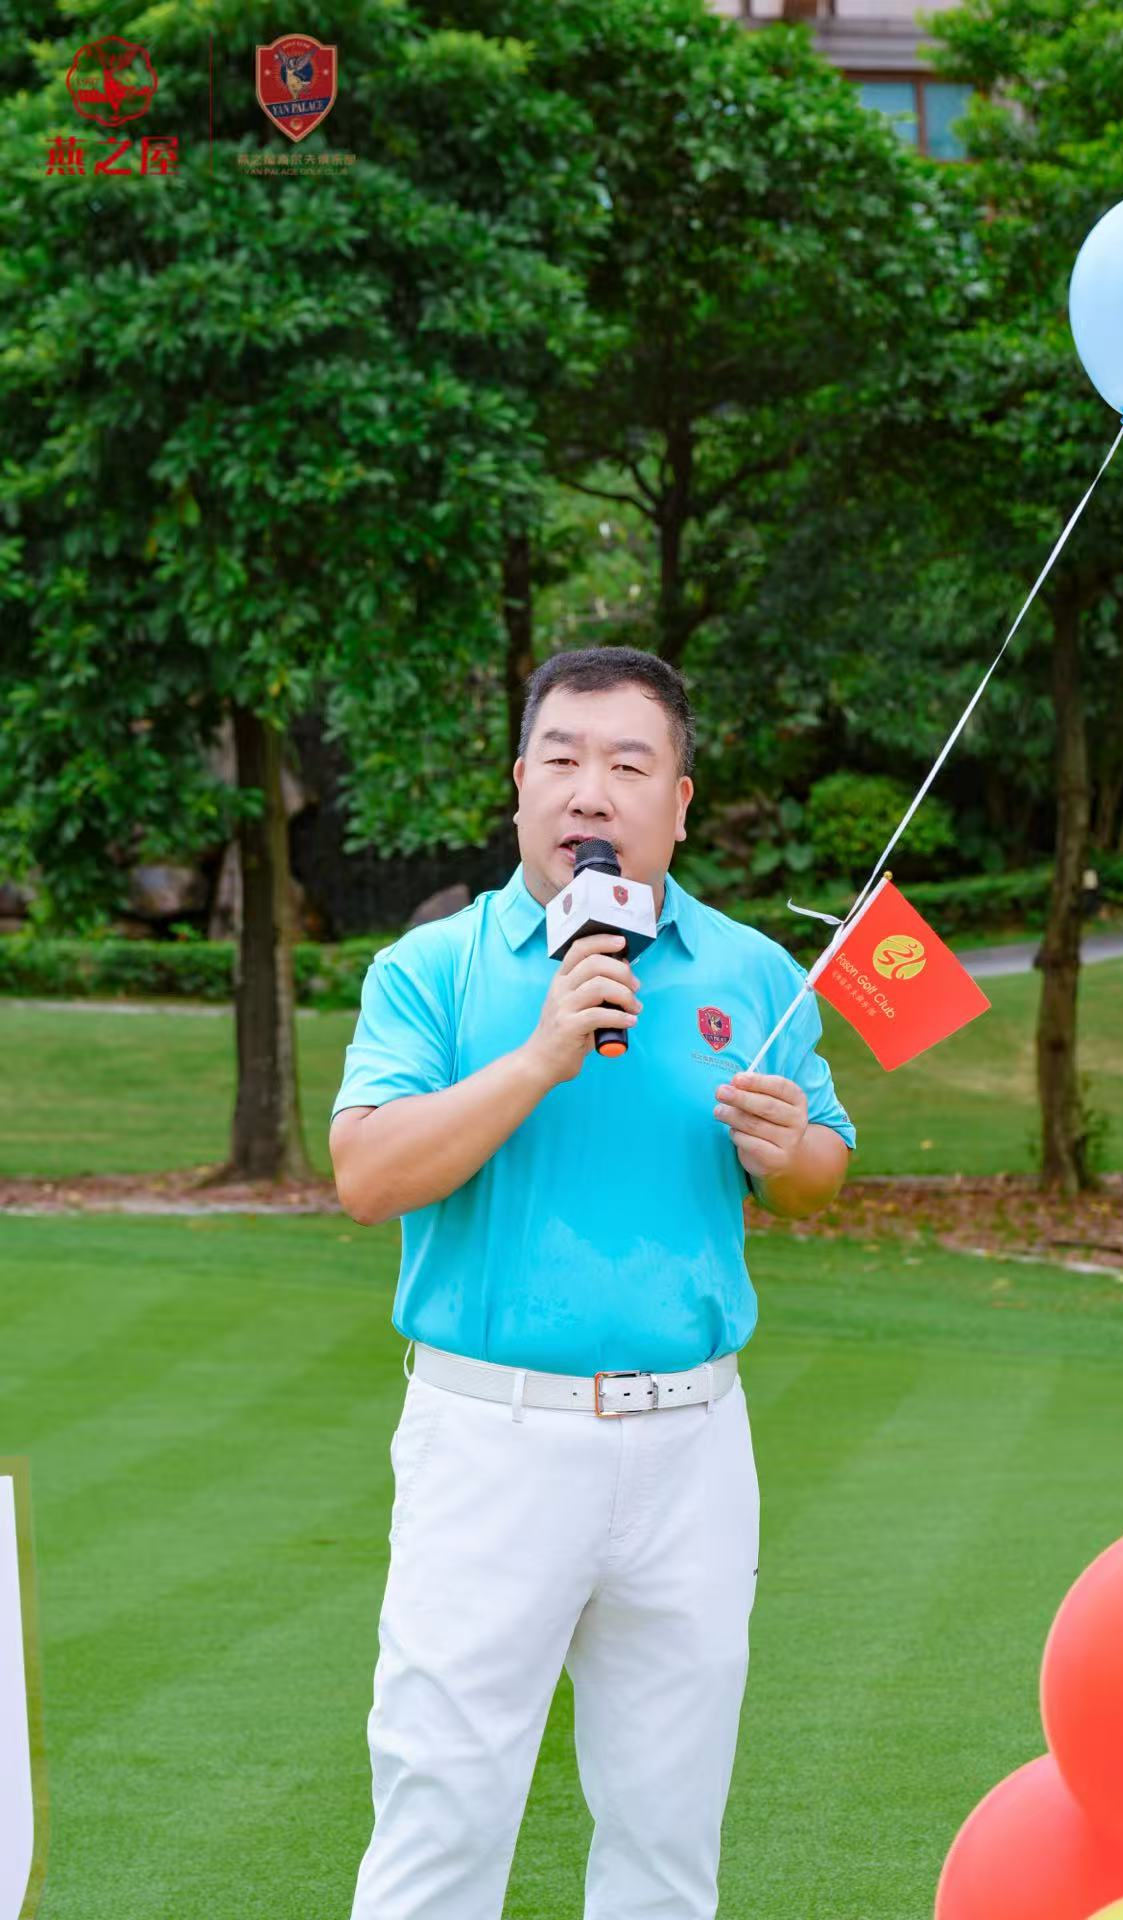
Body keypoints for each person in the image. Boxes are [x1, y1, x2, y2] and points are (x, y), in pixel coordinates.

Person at [330, 646, 858, 1920]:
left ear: (678, 802)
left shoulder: (751, 973)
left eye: (629, 764)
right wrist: (539, 1057)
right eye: (561, 759)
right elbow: (367, 1175)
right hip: (492, 1437)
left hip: (692, 1444)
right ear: (519, 786)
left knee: (668, 1834)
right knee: (445, 1813)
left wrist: (791, 1152)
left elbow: (817, 1175)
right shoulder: (432, 969)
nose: (590, 791)